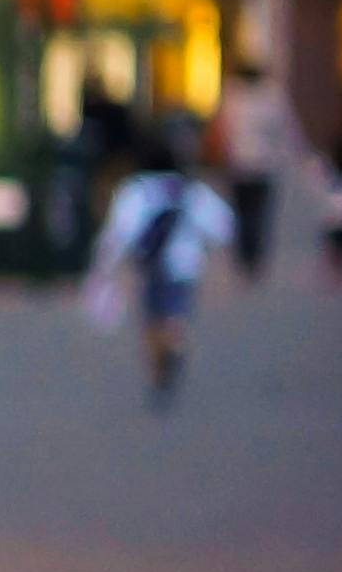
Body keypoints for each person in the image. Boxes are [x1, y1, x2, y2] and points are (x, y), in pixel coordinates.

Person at [93, 119, 242, 407]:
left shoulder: (136, 190)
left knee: (152, 319)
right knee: (176, 313)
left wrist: (105, 264)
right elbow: (223, 225)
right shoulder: (190, 190)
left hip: (150, 266)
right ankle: (174, 344)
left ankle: (159, 365)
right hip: (185, 264)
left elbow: (119, 231)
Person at [215, 59, 298, 282]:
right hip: (263, 165)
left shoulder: (234, 95)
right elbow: (287, 130)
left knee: (241, 213)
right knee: (258, 214)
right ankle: (254, 257)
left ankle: (244, 255)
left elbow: (224, 129)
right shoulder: (271, 97)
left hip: (238, 164)